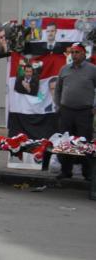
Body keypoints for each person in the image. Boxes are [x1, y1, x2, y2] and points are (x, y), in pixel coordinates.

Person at [54, 43, 96, 181]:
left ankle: (87, 173)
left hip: (84, 112)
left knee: (84, 144)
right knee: (65, 143)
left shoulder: (92, 70)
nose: (74, 55)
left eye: (77, 52)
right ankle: (66, 170)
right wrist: (58, 106)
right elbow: (58, 90)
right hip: (66, 112)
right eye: (72, 52)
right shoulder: (64, 69)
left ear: (84, 54)